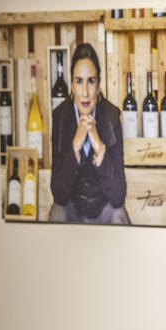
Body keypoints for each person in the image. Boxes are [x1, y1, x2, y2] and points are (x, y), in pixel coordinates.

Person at [48, 43, 129, 224]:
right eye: (79, 81)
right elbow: (59, 194)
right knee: (56, 213)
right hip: (73, 209)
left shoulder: (112, 117)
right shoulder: (60, 117)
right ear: (72, 85)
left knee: (119, 215)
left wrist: (100, 148)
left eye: (91, 81)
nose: (85, 92)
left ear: (98, 85)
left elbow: (118, 197)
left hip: (103, 211)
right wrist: (75, 148)